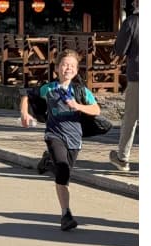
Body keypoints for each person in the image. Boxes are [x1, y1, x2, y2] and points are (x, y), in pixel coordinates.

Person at [19, 49, 102, 231]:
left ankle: (48, 161)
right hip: (54, 135)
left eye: (72, 66)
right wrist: (24, 113)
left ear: (76, 70)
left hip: (74, 138)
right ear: (57, 68)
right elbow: (27, 94)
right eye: (64, 65)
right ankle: (66, 214)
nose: (68, 68)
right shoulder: (49, 89)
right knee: (63, 171)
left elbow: (96, 109)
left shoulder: (80, 90)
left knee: (64, 174)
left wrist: (77, 105)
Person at [109, 0, 139, 172]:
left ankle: (122, 157)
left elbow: (119, 49)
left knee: (131, 118)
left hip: (138, 76)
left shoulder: (132, 22)